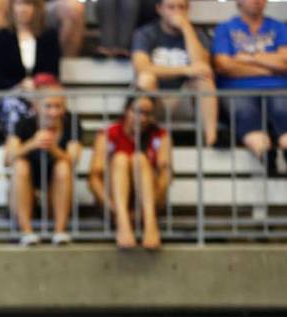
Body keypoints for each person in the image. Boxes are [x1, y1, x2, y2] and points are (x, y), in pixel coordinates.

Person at [88, 94, 172, 250]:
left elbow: (165, 176)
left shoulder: (160, 135)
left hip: (147, 201)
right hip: (114, 203)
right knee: (120, 159)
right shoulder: (108, 134)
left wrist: (149, 209)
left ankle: (150, 224)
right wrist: (115, 209)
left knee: (139, 159)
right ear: (126, 111)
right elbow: (94, 178)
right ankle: (123, 223)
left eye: (147, 113)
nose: (142, 118)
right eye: (137, 111)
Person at [4, 80, 81, 246]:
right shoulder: (24, 125)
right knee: (20, 165)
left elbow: (73, 160)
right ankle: (26, 232)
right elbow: (7, 158)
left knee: (63, 167)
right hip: (26, 188)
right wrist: (32, 144)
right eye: (48, 106)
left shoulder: (71, 123)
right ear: (37, 106)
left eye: (58, 106)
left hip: (55, 189)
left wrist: (53, 149)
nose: (53, 112)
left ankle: (60, 231)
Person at [132, 0, 218, 147]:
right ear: (159, 9)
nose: (176, 12)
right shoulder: (145, 33)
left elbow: (202, 66)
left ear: (188, 9)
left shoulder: (197, 34)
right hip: (154, 100)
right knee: (146, 79)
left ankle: (211, 142)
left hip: (185, 100)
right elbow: (142, 68)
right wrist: (186, 70)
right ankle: (142, 144)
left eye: (181, 7)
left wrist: (186, 28)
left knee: (204, 80)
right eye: (171, 7)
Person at [211, 0, 287, 162]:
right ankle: (265, 153)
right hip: (236, 89)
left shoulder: (279, 27)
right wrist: (269, 67)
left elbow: (284, 62)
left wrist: (249, 57)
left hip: (278, 88)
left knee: (283, 109)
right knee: (244, 112)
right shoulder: (225, 28)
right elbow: (224, 65)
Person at [0, 0, 62, 134]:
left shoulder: (49, 36)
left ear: (36, 8)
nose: (23, 9)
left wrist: (36, 86)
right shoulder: (2, 37)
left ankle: (42, 148)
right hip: (8, 94)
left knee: (49, 108)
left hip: (40, 93)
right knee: (15, 107)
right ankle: (17, 145)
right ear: (12, 8)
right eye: (19, 4)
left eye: (28, 4)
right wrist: (20, 85)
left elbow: (53, 74)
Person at [0, 0, 85, 56]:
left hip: (48, 4)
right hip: (13, 3)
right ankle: (1, 65)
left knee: (73, 8)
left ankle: (62, 69)